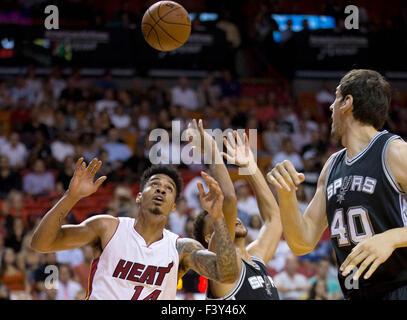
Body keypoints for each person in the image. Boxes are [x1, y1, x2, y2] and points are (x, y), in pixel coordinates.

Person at [267, 69, 407, 300]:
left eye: (336, 97)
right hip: (356, 293)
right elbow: (302, 242)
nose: (331, 107)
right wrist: (286, 194)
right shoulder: (332, 166)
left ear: (347, 102)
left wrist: (391, 238)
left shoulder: (394, 152)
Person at [30, 158, 238, 300]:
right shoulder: (107, 227)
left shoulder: (181, 248)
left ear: (174, 206)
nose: (161, 189)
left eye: (169, 189)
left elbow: (228, 275)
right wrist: (71, 196)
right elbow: (41, 244)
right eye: (155, 184)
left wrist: (218, 217)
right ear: (139, 196)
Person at [193, 122, 281, 300]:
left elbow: (274, 220)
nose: (234, 218)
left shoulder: (255, 259)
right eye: (220, 218)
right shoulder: (220, 265)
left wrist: (250, 166)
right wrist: (211, 149)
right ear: (210, 238)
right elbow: (230, 200)